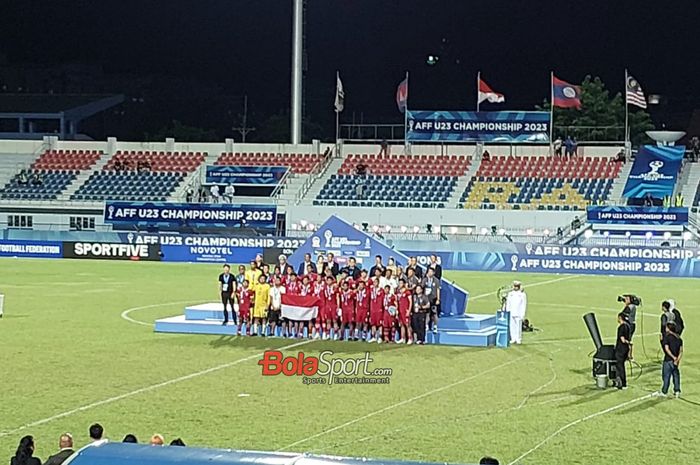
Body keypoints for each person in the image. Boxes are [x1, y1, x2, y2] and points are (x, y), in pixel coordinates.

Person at [653, 322, 683, 398]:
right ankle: (677, 391)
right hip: (675, 362)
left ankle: (664, 391)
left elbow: (666, 349)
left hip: (668, 360)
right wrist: (677, 359)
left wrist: (661, 341)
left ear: (669, 329)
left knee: (666, 376)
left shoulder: (667, 337)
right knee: (676, 376)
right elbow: (681, 351)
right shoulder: (679, 339)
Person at [614, 312, 631, 390]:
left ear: (620, 318)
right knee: (622, 366)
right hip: (626, 349)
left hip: (620, 349)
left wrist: (626, 342)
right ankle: (621, 383)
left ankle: (622, 383)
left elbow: (622, 339)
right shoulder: (628, 326)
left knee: (620, 366)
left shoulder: (621, 327)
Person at [422, 267, 441, 333]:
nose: (429, 273)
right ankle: (426, 326)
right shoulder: (425, 280)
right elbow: (422, 287)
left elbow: (438, 290)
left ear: (433, 273)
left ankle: (435, 326)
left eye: (431, 272)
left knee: (434, 313)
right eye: (428, 271)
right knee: (427, 313)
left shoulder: (436, 280)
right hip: (426, 299)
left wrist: (438, 299)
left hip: (433, 299)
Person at [368, 278, 385, 343]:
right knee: (373, 324)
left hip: (379, 309)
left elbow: (383, 299)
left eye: (376, 282)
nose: (375, 283)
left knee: (380, 324)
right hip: (373, 309)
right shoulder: (371, 290)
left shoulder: (381, 290)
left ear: (378, 283)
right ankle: (373, 337)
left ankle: (380, 337)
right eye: (374, 282)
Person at [396, 279, 413, 344]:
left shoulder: (407, 292)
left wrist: (409, 310)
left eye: (401, 283)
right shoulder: (398, 292)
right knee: (402, 325)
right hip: (400, 311)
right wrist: (397, 310)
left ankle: (410, 338)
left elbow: (410, 302)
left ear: (403, 284)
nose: (399, 284)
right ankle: (403, 338)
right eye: (399, 283)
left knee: (407, 325)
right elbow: (397, 302)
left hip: (405, 311)